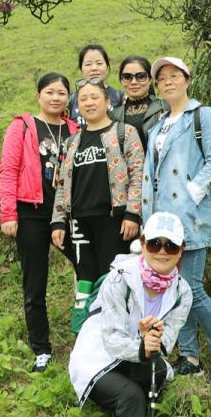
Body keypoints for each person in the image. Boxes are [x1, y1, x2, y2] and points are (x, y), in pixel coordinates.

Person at [141, 56, 211, 388]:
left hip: (191, 219)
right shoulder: (157, 126)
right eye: (162, 79)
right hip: (162, 224)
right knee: (172, 288)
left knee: (192, 288)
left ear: (187, 79)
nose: (167, 82)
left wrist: (191, 194)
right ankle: (189, 356)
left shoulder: (202, 115)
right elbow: (149, 179)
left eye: (174, 76)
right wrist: (147, 223)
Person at [69, 212, 192, 417]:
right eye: (155, 243)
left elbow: (166, 342)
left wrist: (152, 339)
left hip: (140, 356)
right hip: (98, 356)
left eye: (171, 245)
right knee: (131, 396)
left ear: (181, 249)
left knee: (157, 376)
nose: (162, 252)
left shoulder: (182, 292)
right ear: (143, 243)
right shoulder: (119, 279)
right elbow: (112, 340)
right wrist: (141, 345)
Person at [0, 72, 79, 372]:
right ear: (39, 95)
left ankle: (90, 337)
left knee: (89, 269)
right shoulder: (22, 127)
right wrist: (8, 213)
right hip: (31, 212)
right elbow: (8, 169)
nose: (56, 98)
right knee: (35, 283)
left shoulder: (74, 129)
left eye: (61, 93)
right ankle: (41, 349)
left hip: (66, 213)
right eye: (50, 92)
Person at [51, 77, 143, 326]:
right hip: (79, 221)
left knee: (113, 278)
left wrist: (132, 214)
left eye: (94, 97)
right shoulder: (72, 142)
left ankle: (120, 333)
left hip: (114, 220)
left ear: (106, 102)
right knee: (85, 279)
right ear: (77, 106)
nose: (89, 103)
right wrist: (58, 223)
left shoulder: (125, 133)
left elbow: (138, 176)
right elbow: (62, 185)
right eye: (83, 99)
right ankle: (87, 332)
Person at [111, 54, 167, 152]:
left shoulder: (166, 108)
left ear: (150, 80)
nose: (133, 82)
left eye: (140, 76)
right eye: (127, 77)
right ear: (121, 80)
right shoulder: (113, 116)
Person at [68, 44, 123, 125]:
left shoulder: (119, 97)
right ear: (81, 68)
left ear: (107, 66)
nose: (94, 68)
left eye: (99, 63)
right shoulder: (71, 99)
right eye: (88, 64)